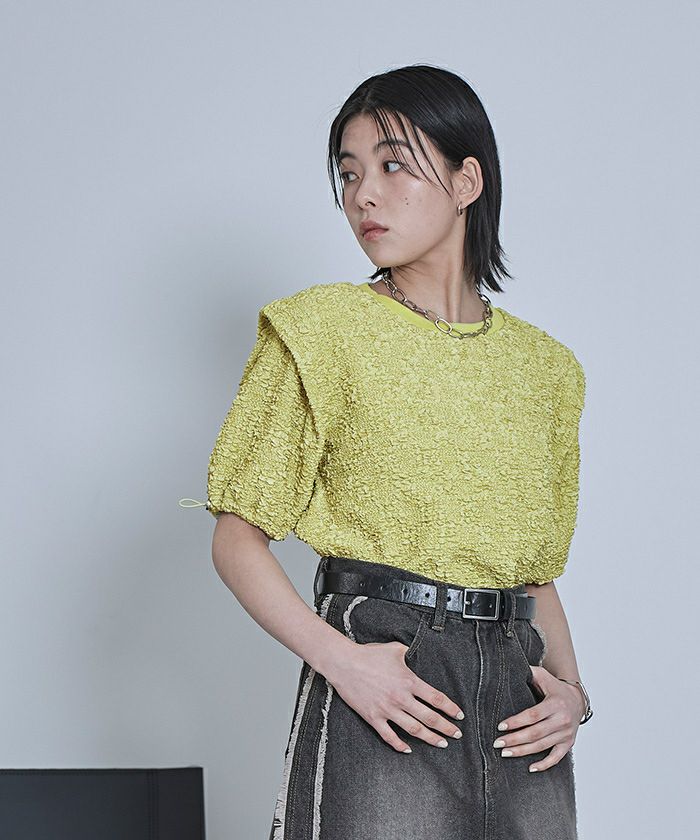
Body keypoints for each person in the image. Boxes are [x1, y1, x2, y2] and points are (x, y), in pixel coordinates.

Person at [182, 63, 593, 839]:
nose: (363, 194)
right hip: (386, 677)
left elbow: (537, 575)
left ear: (467, 180)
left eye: (392, 165)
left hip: (520, 700)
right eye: (349, 173)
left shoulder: (548, 370)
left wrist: (573, 695)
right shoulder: (320, 330)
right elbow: (236, 538)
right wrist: (342, 662)